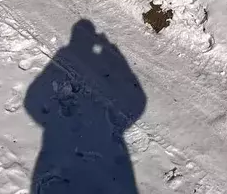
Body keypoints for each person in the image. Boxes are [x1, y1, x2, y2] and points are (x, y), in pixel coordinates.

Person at [25, 20, 146, 193]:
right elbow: (139, 101)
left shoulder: (64, 53)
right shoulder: (66, 53)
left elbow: (31, 101)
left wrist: (48, 122)